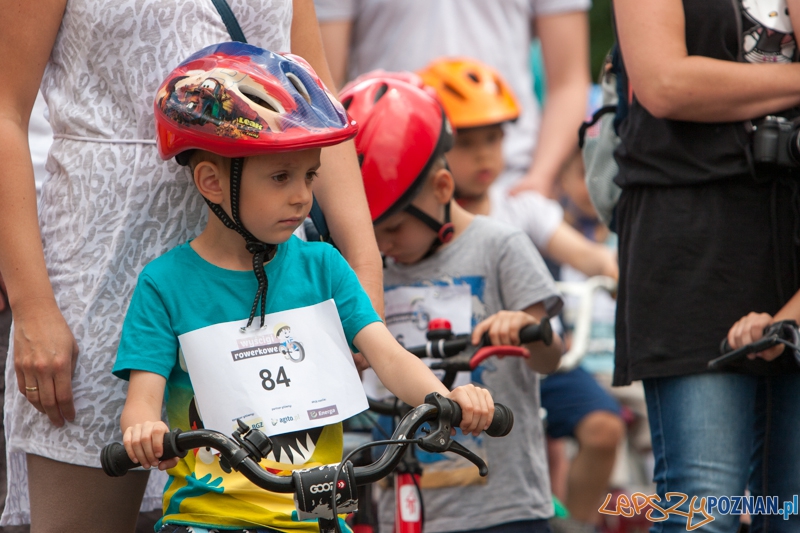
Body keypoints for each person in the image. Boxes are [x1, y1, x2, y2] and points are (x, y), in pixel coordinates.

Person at [0, 1, 382, 530]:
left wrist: (365, 268)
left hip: (265, 275)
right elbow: (5, 110)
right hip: (102, 269)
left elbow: (315, 101)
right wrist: (32, 305)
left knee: (281, 515)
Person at [114, 44, 495, 533]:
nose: (302, 197)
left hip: (320, 518)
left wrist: (448, 398)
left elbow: (389, 355)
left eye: (310, 175)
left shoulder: (324, 267)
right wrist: (144, 431)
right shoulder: (165, 284)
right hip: (209, 521)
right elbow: (142, 401)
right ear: (211, 181)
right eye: (280, 177)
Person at [342, 75, 564, 533]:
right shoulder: (371, 268)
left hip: (503, 508)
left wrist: (523, 328)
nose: (380, 246)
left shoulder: (500, 246)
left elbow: (550, 358)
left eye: (393, 228)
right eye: (368, 232)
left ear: (442, 189)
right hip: (404, 503)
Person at [612, 0, 800, 530]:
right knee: (705, 505)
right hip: (692, 244)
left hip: (791, 244)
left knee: (790, 509)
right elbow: (667, 85)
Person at [420, 58, 623, 532]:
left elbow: (590, 256)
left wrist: (617, 273)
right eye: (467, 143)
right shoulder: (418, 222)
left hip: (526, 361)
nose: (485, 156)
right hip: (451, 370)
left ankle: (573, 525)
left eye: (494, 139)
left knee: (604, 427)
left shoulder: (520, 205)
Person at [313, 0, 591, 198]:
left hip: (511, 185)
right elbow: (324, 88)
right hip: (391, 185)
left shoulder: (525, 207)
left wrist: (539, 178)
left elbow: (570, 81)